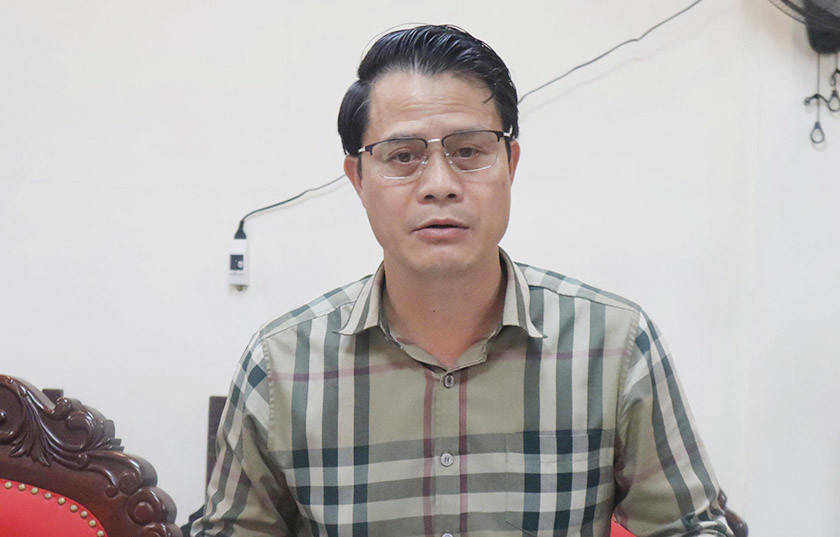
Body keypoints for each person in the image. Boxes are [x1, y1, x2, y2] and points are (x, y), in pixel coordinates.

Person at [192, 25, 733, 537]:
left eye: (468, 151)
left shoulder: (613, 346)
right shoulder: (282, 365)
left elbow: (688, 528)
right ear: (357, 178)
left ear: (510, 164)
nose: (439, 184)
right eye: (403, 156)